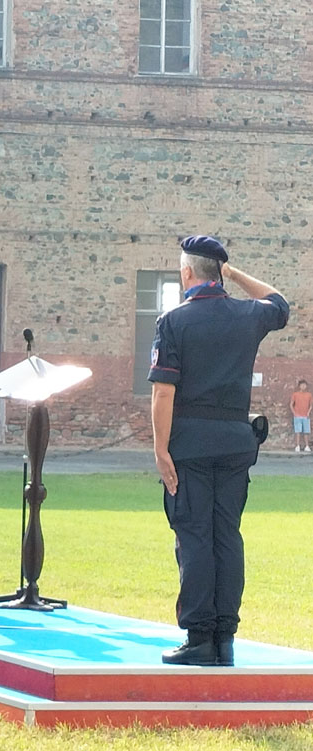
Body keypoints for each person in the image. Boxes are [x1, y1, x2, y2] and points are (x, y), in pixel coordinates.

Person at [149, 235, 289, 667]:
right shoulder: (247, 314)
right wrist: (234, 273)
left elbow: (162, 395)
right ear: (219, 272)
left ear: (187, 273)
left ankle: (198, 638)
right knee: (226, 536)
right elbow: (280, 304)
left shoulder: (174, 320)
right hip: (234, 442)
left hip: (189, 445)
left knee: (193, 536)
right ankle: (224, 637)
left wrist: (160, 449)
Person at [289, 379, 312, 453]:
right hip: (297, 416)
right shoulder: (295, 394)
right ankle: (297, 446)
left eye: (304, 385)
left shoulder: (309, 395)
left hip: (306, 416)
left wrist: (308, 412)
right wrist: (294, 413)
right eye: (302, 385)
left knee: (306, 432)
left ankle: (307, 446)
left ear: (306, 386)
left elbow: (311, 405)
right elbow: (291, 404)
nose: (303, 386)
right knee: (298, 431)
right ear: (299, 386)